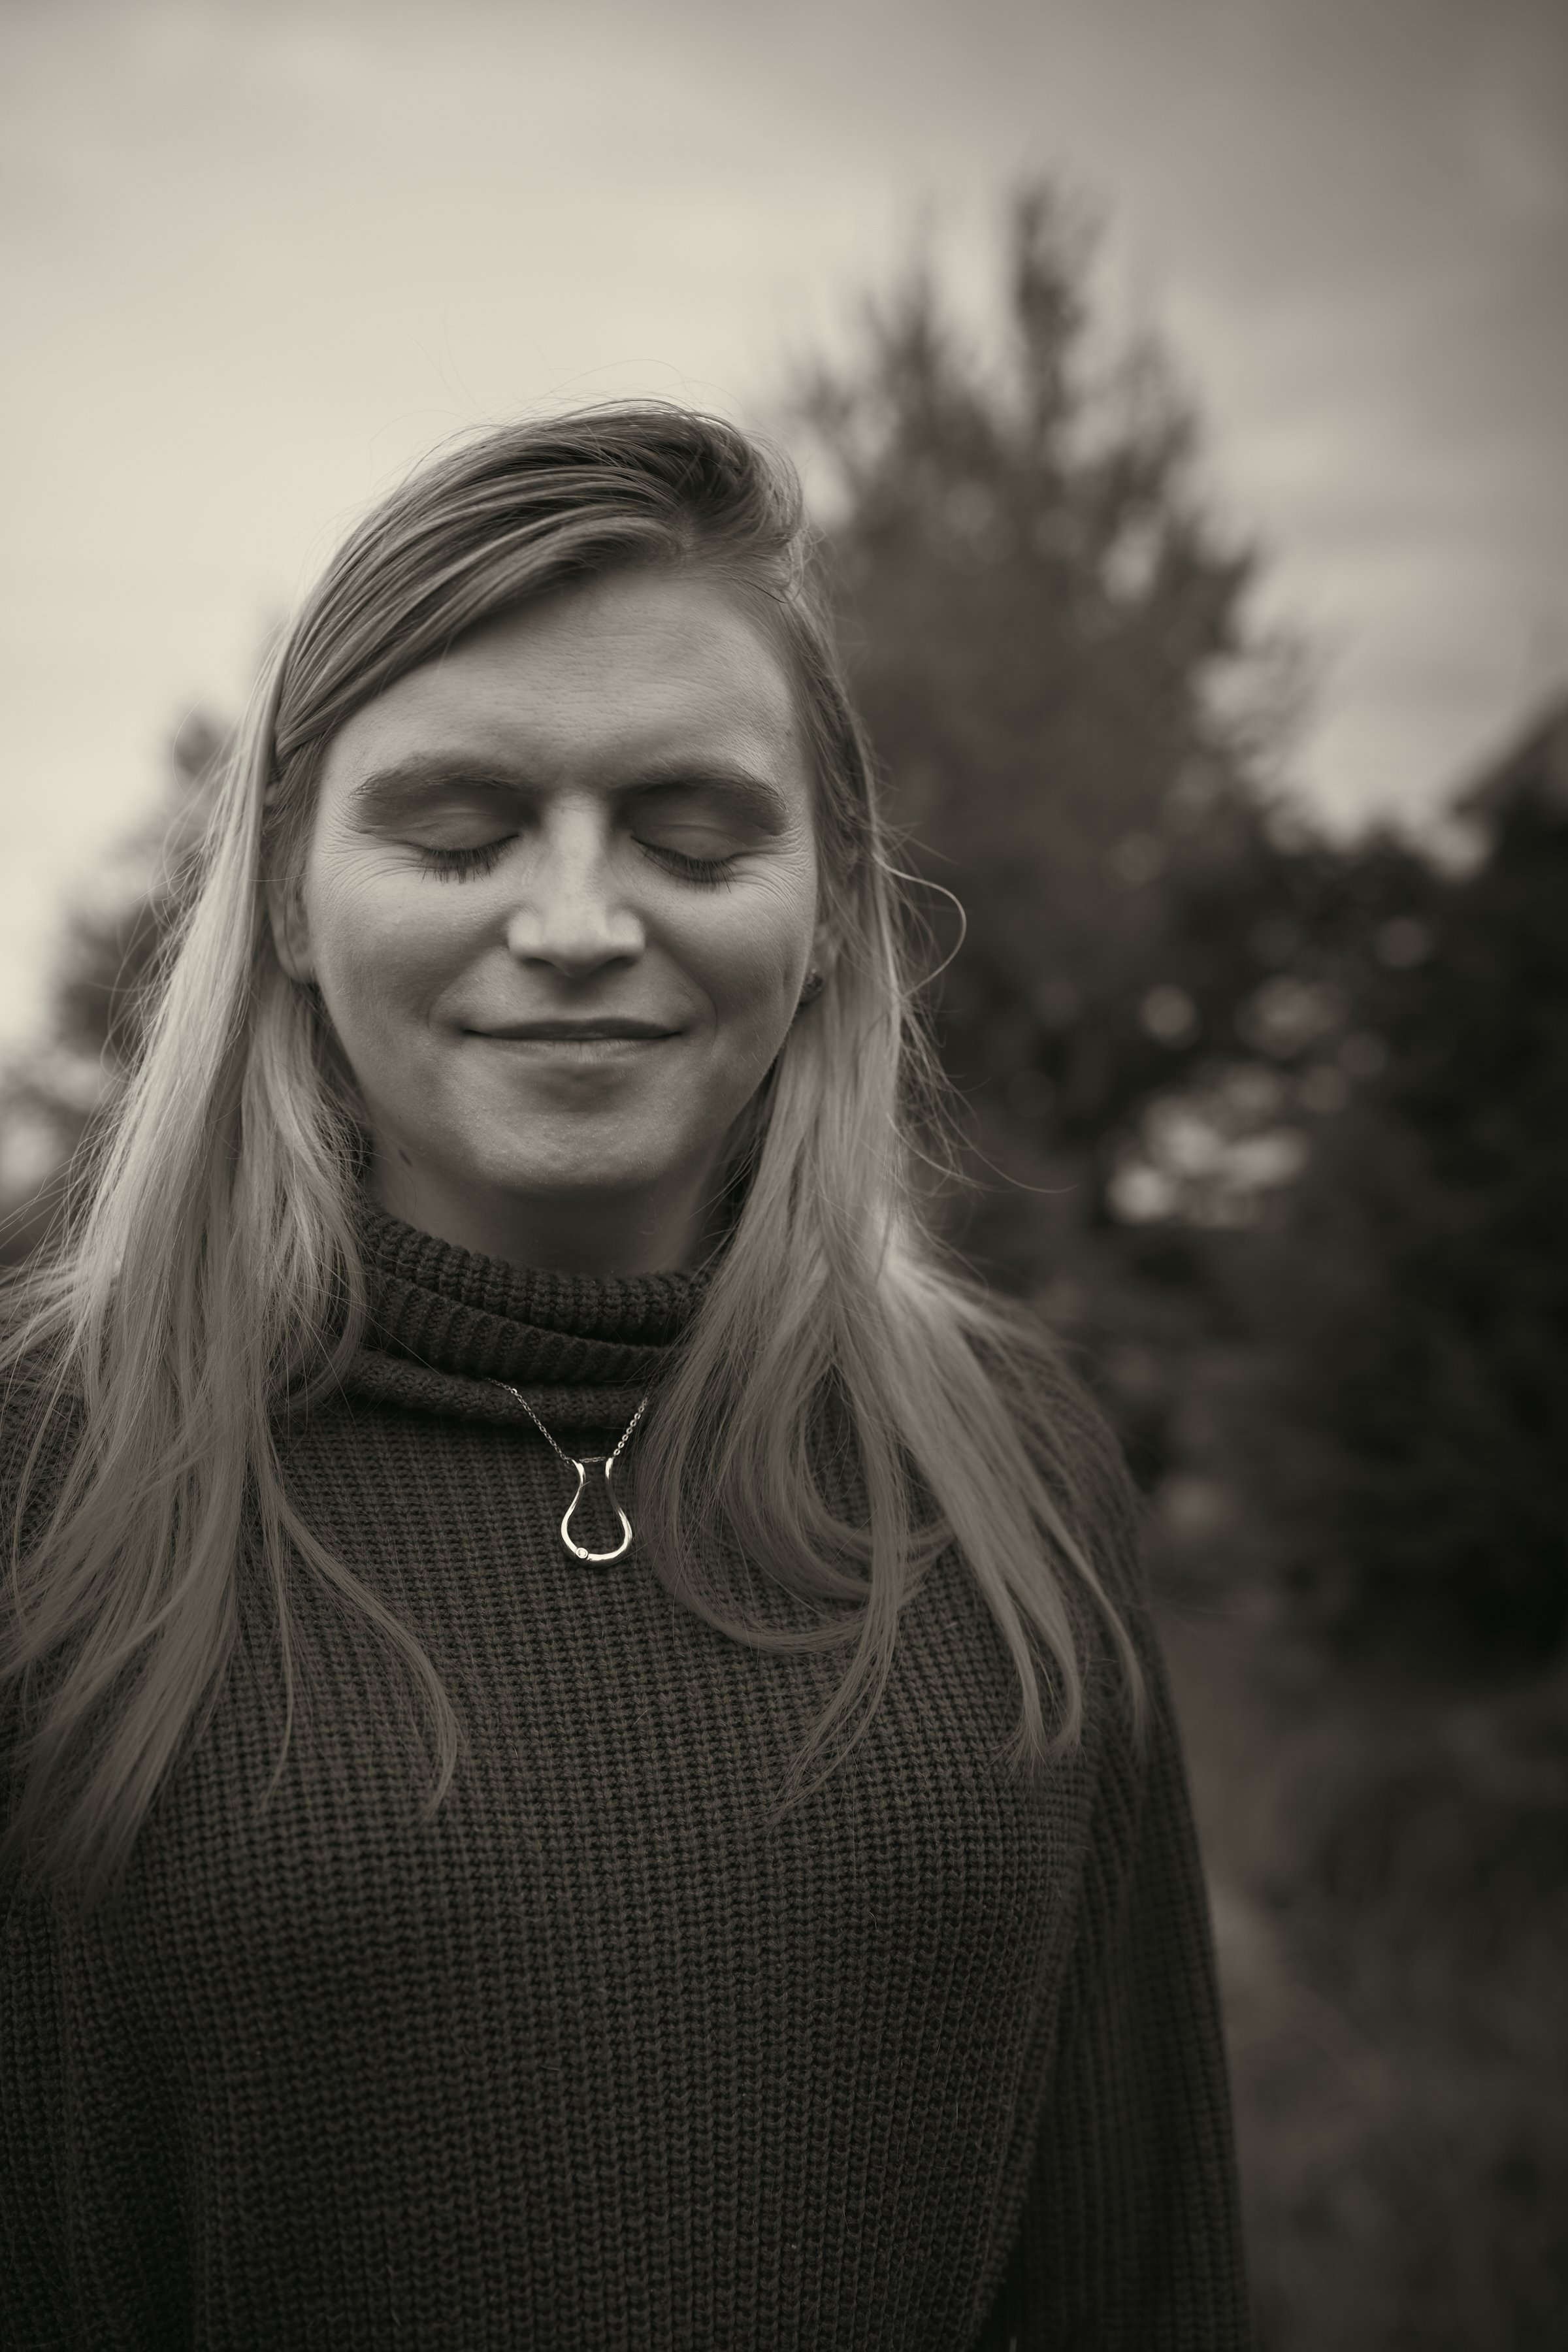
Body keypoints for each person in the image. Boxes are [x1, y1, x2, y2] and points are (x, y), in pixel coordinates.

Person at [0, 405, 1250, 2349]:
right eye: (457, 830)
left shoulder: (1007, 1467)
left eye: (689, 834)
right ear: (283, 899)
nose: (577, 925)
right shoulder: (42, 1478)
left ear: (828, 902)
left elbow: (1144, 2264)